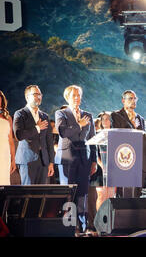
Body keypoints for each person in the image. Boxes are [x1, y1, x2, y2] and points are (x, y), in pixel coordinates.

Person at [55, 85, 97, 235]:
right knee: (68, 193)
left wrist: (94, 160)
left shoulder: (88, 115)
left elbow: (93, 139)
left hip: (84, 160)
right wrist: (79, 125)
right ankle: (69, 227)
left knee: (82, 194)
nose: (77, 98)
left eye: (79, 95)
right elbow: (63, 132)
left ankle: (83, 227)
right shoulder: (61, 113)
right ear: (67, 97)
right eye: (74, 95)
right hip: (67, 158)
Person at [13, 85, 55, 185]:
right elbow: (19, 135)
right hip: (27, 160)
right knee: (28, 194)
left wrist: (51, 162)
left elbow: (49, 140)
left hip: (43, 161)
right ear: (27, 97)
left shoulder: (44, 116)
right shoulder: (20, 114)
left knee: (40, 195)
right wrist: (37, 128)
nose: (39, 97)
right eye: (35, 94)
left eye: (40, 94)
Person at [111, 90, 145, 198]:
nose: (133, 101)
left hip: (139, 161)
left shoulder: (140, 118)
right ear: (123, 101)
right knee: (124, 194)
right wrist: (133, 125)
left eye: (135, 99)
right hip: (124, 160)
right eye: (130, 98)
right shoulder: (116, 115)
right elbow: (118, 134)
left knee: (137, 194)